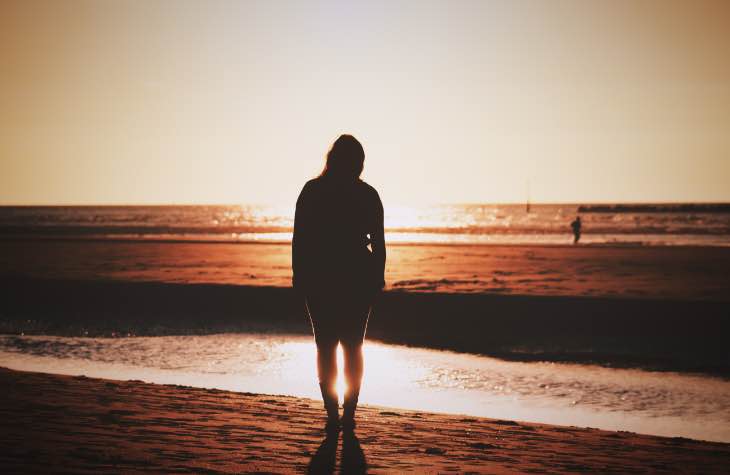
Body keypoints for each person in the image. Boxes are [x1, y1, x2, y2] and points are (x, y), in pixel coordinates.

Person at [292, 134, 386, 433]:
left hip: (321, 275)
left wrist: (299, 275)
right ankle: (347, 412)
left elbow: (300, 240)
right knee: (352, 346)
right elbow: (380, 244)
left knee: (327, 346)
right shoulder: (367, 194)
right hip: (356, 275)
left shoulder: (312, 190)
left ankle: (334, 412)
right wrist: (378, 278)